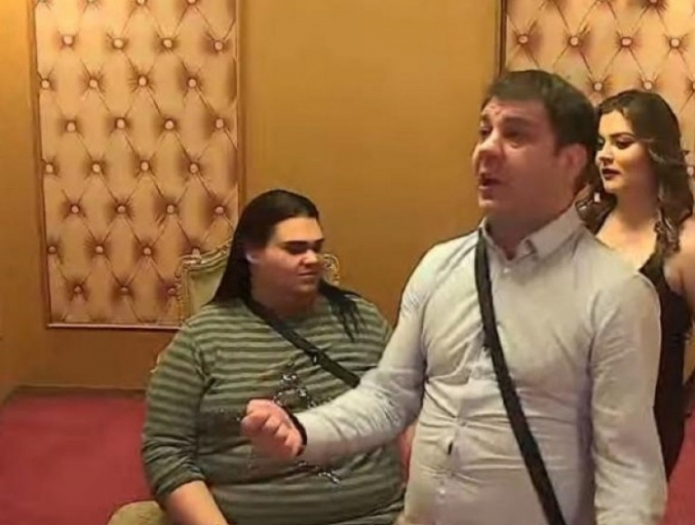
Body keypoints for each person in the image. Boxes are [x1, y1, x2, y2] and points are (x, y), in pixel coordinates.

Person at [240, 71, 667, 525]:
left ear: (570, 160)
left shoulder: (616, 294)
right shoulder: (441, 266)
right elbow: (391, 396)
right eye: (484, 131)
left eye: (515, 135)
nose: (487, 150)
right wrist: (303, 430)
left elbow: (628, 470)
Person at [141, 189, 407, 525]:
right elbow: (165, 451)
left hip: (379, 515)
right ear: (251, 252)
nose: (312, 259)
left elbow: (407, 408)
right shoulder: (201, 339)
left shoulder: (362, 320)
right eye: (295, 249)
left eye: (316, 248)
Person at [578, 90, 695, 477]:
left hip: (644, 428)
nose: (604, 155)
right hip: (574, 411)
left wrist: (679, 405)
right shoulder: (586, 222)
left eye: (621, 143)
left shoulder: (693, 248)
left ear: (656, 152)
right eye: (600, 144)